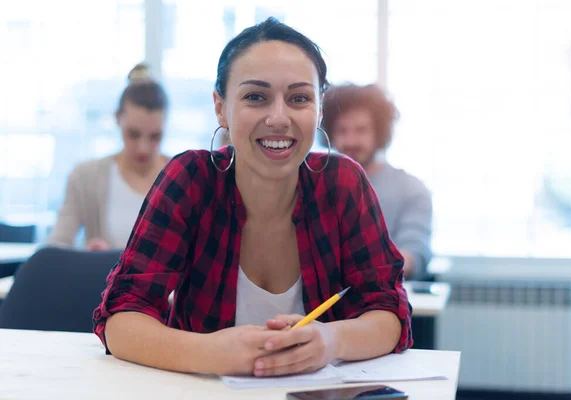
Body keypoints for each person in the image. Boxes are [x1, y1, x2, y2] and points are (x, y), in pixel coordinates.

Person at [93, 17, 412, 378]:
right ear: (220, 107)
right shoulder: (192, 180)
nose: (279, 117)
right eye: (255, 97)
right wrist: (210, 352)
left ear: (320, 107)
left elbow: (389, 312)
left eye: (299, 98)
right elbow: (121, 318)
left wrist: (332, 340)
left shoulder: (344, 183)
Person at [47, 64, 170, 251]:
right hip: (99, 281)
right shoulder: (85, 177)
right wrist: (86, 259)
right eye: (133, 134)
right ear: (117, 118)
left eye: (155, 137)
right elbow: (56, 248)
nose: (143, 148)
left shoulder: (183, 179)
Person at [321, 84, 433, 280]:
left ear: (379, 133)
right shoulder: (316, 186)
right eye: (342, 130)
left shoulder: (411, 190)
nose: (351, 141)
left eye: (361, 130)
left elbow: (414, 252)